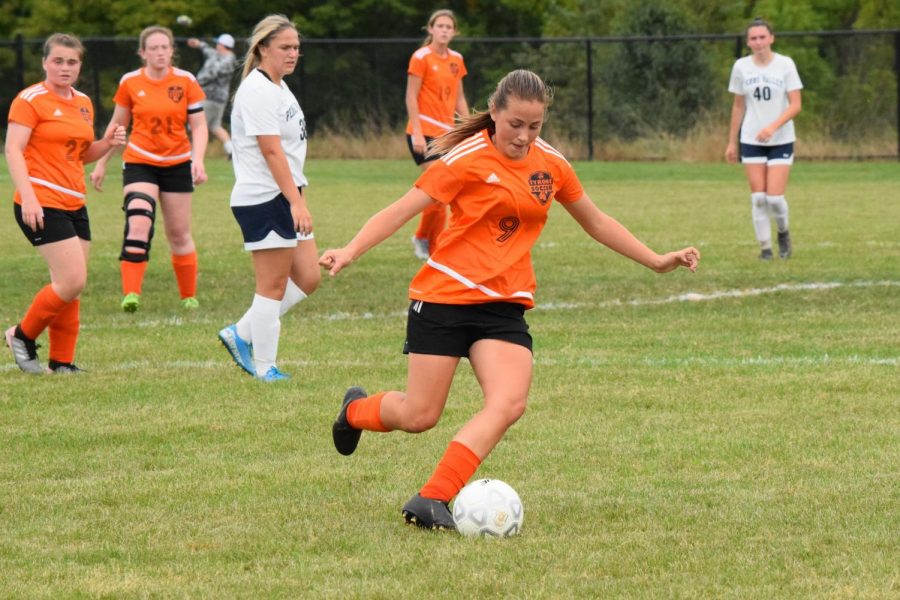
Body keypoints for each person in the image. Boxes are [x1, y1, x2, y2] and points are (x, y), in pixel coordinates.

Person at [319, 69, 700, 530]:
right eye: (515, 124)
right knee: (420, 415)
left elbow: (596, 222)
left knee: (508, 403)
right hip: (443, 298)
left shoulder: (552, 165)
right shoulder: (465, 159)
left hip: (503, 304)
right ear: (495, 113)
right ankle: (354, 412)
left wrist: (657, 260)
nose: (523, 136)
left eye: (534, 126)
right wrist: (350, 250)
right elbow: (402, 209)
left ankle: (431, 498)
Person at [5, 33, 126, 374]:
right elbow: (13, 149)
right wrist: (28, 197)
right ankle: (22, 336)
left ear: (80, 66)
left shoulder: (84, 102)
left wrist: (108, 143)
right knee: (71, 280)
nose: (64, 67)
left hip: (74, 200)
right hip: (41, 200)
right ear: (45, 62)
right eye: (58, 61)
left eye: (71, 62)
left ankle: (62, 362)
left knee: (71, 285)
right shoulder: (30, 100)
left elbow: (81, 154)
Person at [217, 14, 319, 382]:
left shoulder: (279, 86)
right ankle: (264, 366)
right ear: (262, 49)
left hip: (287, 195)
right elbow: (271, 152)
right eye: (285, 47)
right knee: (272, 286)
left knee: (308, 275)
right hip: (265, 198)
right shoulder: (257, 90)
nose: (293, 54)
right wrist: (296, 202)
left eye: (296, 47)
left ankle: (240, 333)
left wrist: (297, 197)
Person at [91, 25, 208, 312]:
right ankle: (131, 294)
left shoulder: (186, 81)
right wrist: (101, 162)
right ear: (142, 53)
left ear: (172, 51)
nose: (159, 52)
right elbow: (118, 126)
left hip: (178, 163)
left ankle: (188, 296)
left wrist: (199, 158)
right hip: (140, 161)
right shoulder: (130, 82)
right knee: (139, 220)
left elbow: (200, 125)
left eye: (164, 47)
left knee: (179, 233)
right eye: (153, 48)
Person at [725, 17, 802, 261]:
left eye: (762, 37)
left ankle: (783, 233)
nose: (758, 42)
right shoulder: (741, 67)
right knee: (758, 198)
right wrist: (731, 142)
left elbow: (796, 104)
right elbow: (738, 107)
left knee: (775, 198)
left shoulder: (785, 64)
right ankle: (766, 249)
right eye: (753, 38)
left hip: (780, 139)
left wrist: (773, 126)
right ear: (748, 42)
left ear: (771, 38)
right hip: (751, 139)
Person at [405, 9, 469, 260]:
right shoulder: (420, 57)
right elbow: (411, 96)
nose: (444, 30)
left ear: (454, 32)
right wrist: (417, 134)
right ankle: (430, 243)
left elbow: (459, 98)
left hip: (447, 135)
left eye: (448, 27)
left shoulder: (457, 59)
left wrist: (469, 127)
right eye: (439, 26)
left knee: (445, 192)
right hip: (424, 133)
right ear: (430, 29)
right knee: (440, 189)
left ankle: (425, 239)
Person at [187, 33, 237, 159]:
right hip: (216, 99)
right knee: (215, 126)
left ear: (222, 45)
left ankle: (194, 156)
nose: (216, 46)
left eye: (218, 44)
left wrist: (194, 82)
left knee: (197, 125)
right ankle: (231, 150)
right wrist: (198, 44)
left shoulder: (227, 60)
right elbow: (208, 51)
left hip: (210, 98)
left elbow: (211, 74)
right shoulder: (219, 55)